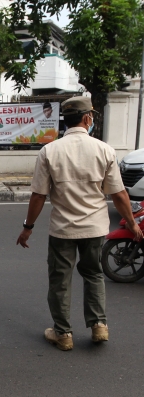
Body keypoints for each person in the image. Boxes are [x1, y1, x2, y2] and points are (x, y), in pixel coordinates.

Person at [16, 96, 143, 351]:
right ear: (87, 119)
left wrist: (27, 227)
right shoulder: (104, 149)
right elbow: (118, 194)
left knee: (60, 280)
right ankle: (98, 325)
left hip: (63, 229)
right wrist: (131, 223)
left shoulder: (50, 151)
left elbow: (39, 195)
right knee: (94, 274)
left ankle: (63, 334)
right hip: (94, 228)